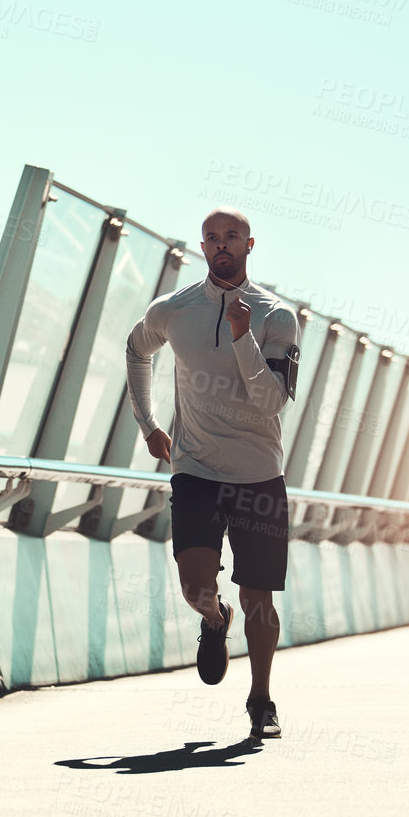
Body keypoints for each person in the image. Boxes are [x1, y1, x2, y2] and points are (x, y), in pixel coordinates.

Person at [124, 208, 299, 739]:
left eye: (232, 238)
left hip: (258, 474)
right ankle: (213, 620)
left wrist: (244, 336)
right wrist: (148, 423)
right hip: (195, 469)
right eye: (212, 239)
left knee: (259, 598)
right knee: (194, 586)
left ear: (250, 244)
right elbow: (136, 350)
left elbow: (270, 402)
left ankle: (261, 700)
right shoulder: (174, 309)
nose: (221, 246)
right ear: (202, 247)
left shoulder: (276, 316)